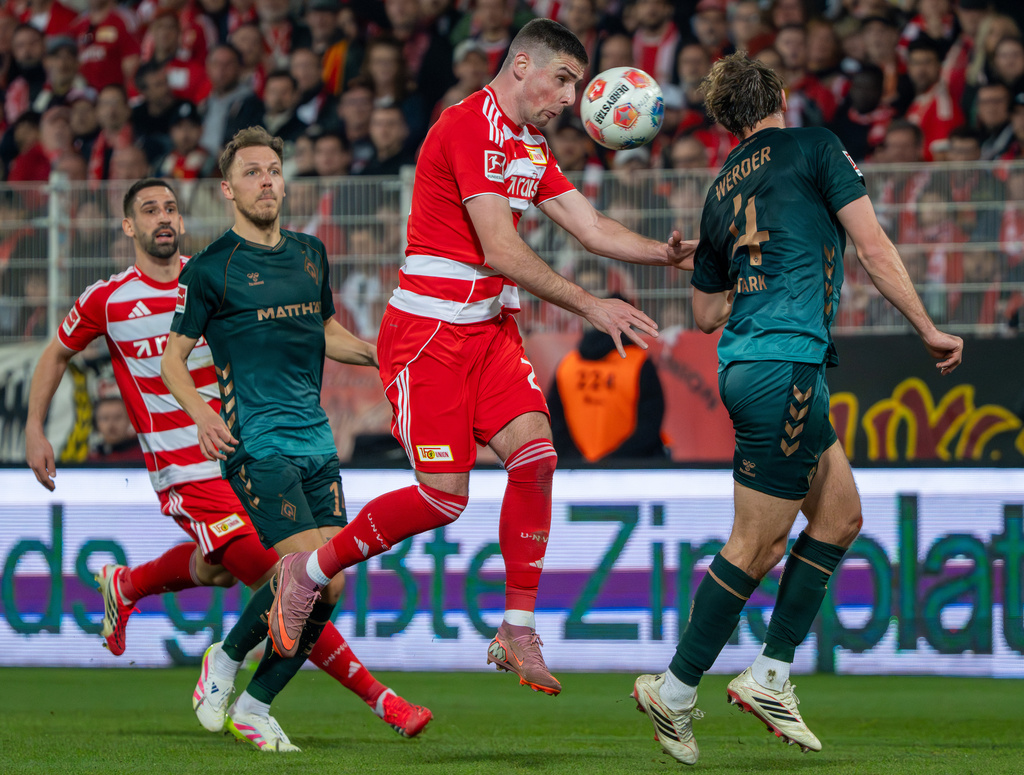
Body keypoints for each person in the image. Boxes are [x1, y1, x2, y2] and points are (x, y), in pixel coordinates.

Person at [267, 18, 690, 697]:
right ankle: (307, 571)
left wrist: (667, 254)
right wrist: (590, 304)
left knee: (537, 454)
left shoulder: (531, 141)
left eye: (578, 84)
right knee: (443, 497)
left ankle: (516, 626)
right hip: (429, 335)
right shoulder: (468, 125)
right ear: (521, 65)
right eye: (563, 79)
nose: (571, 97)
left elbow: (590, 226)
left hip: (489, 329)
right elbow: (498, 246)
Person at [631, 52, 963, 766]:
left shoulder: (720, 189)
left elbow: (707, 311)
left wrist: (698, 255)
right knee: (757, 545)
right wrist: (928, 329)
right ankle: (678, 686)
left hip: (758, 362)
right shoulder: (815, 146)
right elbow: (871, 245)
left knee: (840, 514)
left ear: (727, 122)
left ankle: (772, 673)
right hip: (786, 363)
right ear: (781, 96)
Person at [25, 176, 431, 752]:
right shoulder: (108, 299)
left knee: (229, 570)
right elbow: (56, 352)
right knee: (291, 579)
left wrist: (377, 356)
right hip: (187, 472)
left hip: (251, 454)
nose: (163, 218)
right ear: (128, 226)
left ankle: (128, 584)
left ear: (184, 220)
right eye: (148, 210)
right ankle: (374, 699)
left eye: (170, 208)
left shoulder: (216, 276)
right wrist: (35, 426)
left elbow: (314, 331)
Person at [160, 129, 431, 752]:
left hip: (316, 442)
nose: (266, 182)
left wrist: (381, 359)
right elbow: (174, 359)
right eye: (253, 173)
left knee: (330, 584)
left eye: (274, 171)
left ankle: (256, 704)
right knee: (303, 572)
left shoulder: (311, 254)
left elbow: (325, 331)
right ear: (228, 189)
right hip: (256, 442)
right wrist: (203, 414)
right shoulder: (210, 269)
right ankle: (225, 662)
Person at [547, 294, 668, 464]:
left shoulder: (569, 363)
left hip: (578, 469)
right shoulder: (638, 362)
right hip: (630, 468)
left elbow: (554, 422)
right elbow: (650, 424)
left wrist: (578, 461)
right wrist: (612, 463)